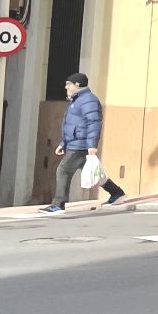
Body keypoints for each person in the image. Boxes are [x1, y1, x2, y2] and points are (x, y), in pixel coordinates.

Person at [44, 72, 124, 213]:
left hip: (81, 145)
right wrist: (63, 143)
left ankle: (58, 204)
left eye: (68, 84)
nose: (66, 87)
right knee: (96, 173)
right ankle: (117, 193)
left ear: (77, 85)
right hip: (75, 143)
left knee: (63, 170)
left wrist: (92, 145)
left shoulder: (89, 100)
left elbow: (94, 123)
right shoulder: (77, 100)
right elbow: (74, 125)